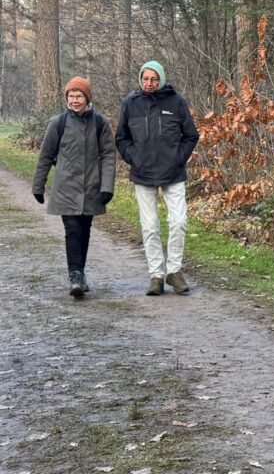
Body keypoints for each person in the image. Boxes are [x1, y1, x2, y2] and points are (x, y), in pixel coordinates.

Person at [115, 61, 200, 296]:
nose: (149, 83)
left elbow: (191, 135)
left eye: (153, 79)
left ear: (161, 79)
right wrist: (134, 158)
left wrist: (177, 159)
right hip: (143, 173)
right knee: (150, 227)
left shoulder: (176, 102)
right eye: (145, 79)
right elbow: (121, 138)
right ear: (141, 79)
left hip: (173, 172)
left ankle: (174, 271)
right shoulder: (130, 104)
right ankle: (156, 275)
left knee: (179, 222)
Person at [31, 77, 117, 299]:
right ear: (66, 99)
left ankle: (80, 273)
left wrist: (107, 186)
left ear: (87, 98)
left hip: (91, 188)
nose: (75, 100)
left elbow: (108, 155)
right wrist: (37, 186)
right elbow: (46, 156)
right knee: (72, 231)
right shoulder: (58, 123)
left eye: (79, 96)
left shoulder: (99, 123)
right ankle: (75, 276)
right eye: (71, 96)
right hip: (65, 189)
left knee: (85, 231)